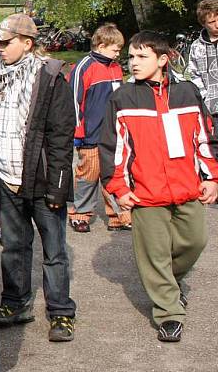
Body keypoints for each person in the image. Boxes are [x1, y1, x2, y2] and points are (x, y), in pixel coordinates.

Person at [100, 31, 218, 342]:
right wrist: (120, 188)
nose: (133, 63)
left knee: (195, 241)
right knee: (153, 254)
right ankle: (169, 312)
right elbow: (113, 148)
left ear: (163, 60)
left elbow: (203, 138)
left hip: (187, 187)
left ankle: (168, 281)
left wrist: (212, 178)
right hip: (146, 193)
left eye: (142, 57)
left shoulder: (188, 93)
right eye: (131, 57)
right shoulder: (122, 97)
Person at [0, 14, 77, 342]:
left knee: (54, 250)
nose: (0, 49)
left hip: (42, 182)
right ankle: (15, 303)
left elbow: (61, 137)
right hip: (8, 178)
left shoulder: (51, 77)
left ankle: (61, 312)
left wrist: (57, 187)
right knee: (13, 245)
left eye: (6, 42)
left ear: (27, 43)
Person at [67, 23, 131, 232]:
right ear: (101, 45)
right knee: (88, 174)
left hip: (112, 134)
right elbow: (73, 102)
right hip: (90, 134)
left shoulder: (115, 67)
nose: (118, 53)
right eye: (115, 49)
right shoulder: (84, 66)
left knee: (112, 174)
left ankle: (117, 216)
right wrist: (78, 132)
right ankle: (80, 214)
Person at [187, 0, 218, 124]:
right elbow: (194, 74)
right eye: (212, 22)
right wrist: (205, 96)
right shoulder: (196, 47)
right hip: (212, 109)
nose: (217, 24)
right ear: (203, 23)